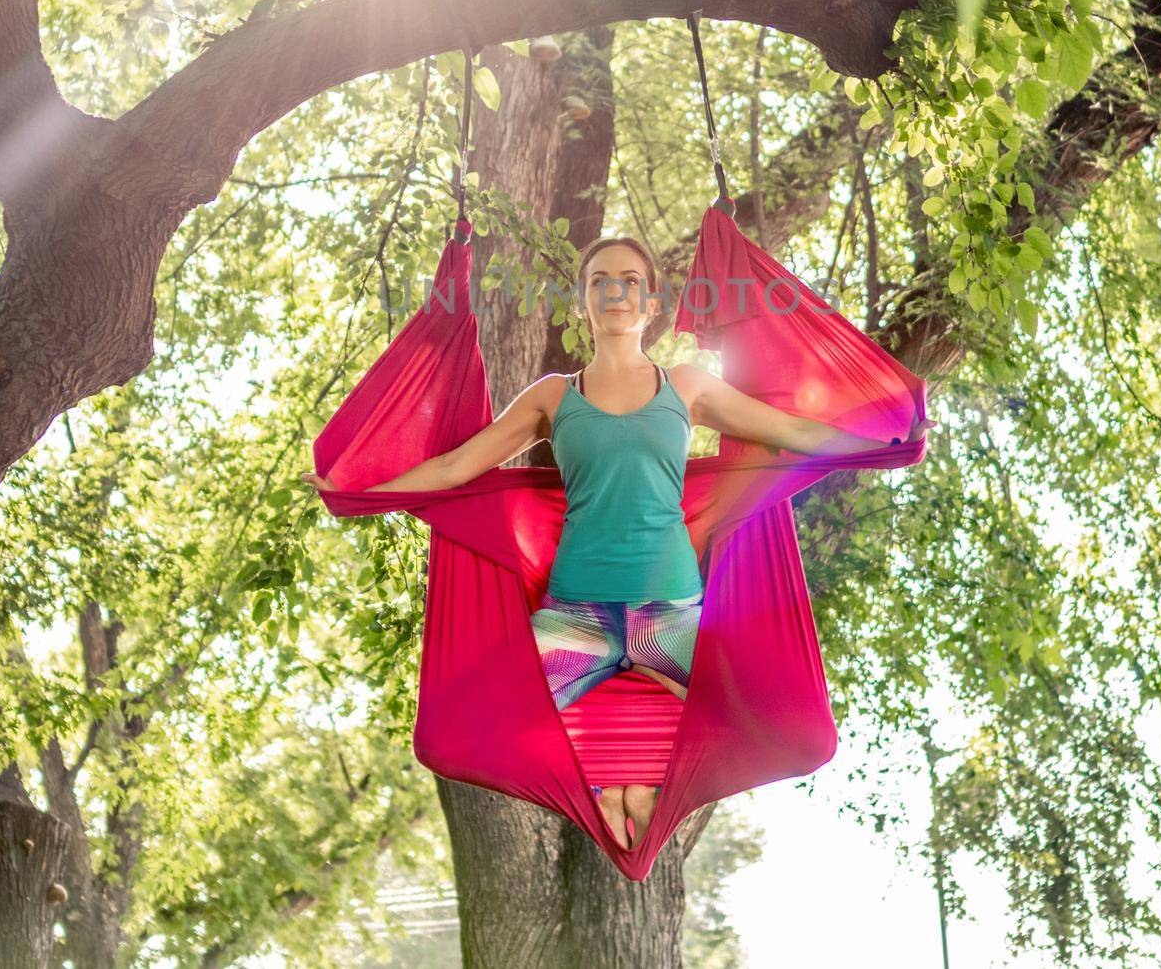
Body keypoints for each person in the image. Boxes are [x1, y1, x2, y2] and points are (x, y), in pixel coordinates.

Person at [304, 234, 879, 850]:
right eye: (600, 279)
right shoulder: (554, 396)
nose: (615, 290)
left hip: (672, 617)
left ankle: (655, 790)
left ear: (651, 302)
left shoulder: (687, 386)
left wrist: (882, 443)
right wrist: (360, 493)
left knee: (791, 725)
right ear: (583, 301)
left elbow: (792, 429)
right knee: (453, 729)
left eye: (631, 280)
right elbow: (454, 469)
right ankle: (607, 792)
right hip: (574, 619)